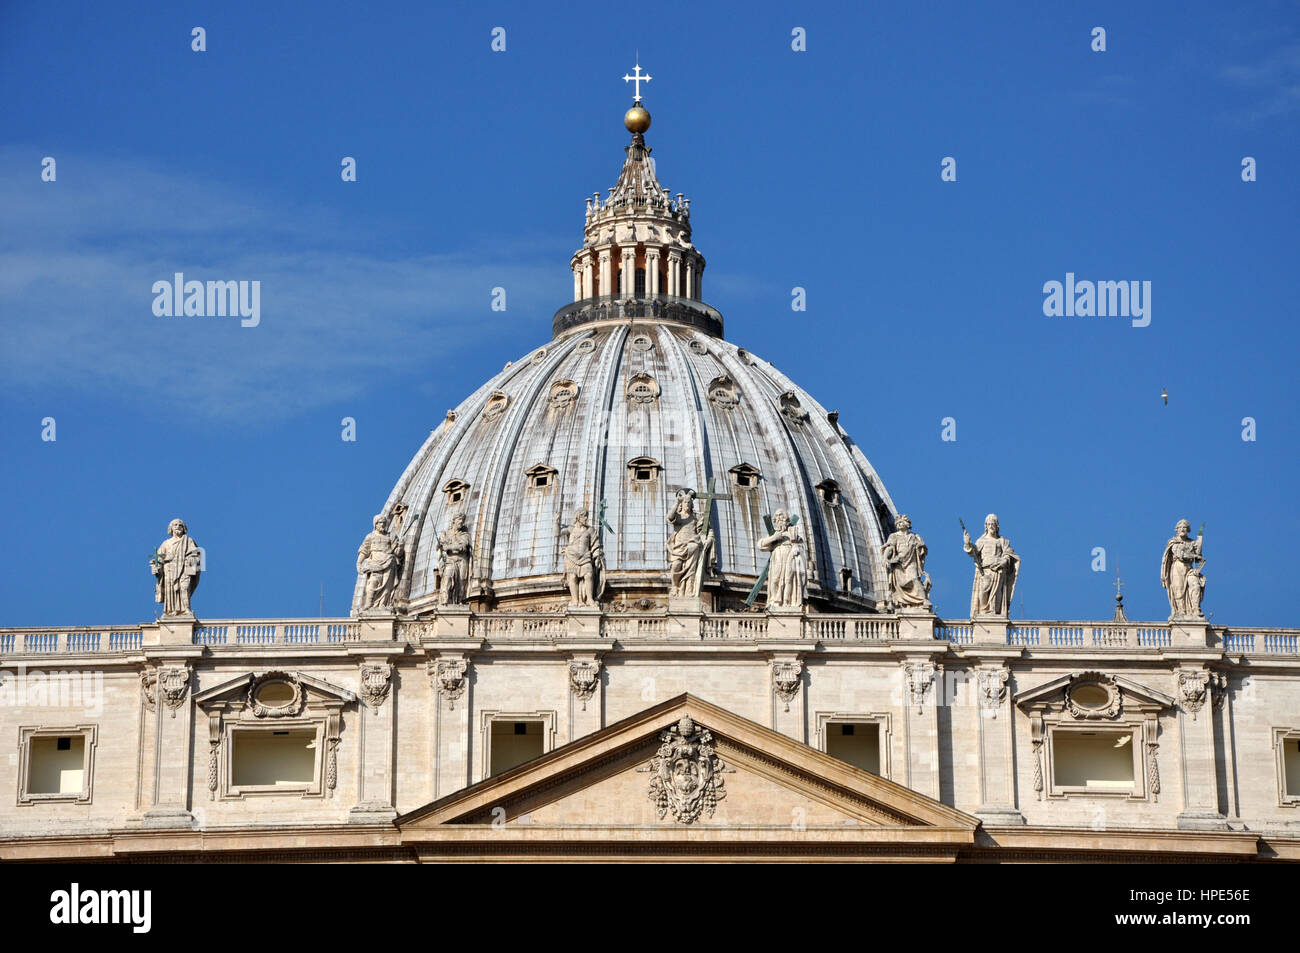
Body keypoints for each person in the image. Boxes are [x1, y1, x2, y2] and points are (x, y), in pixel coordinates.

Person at [963, 513, 1019, 616]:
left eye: (993, 524)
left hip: (998, 571)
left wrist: (1003, 561)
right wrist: (967, 543)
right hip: (985, 570)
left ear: (997, 526)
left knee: (997, 595)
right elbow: (973, 552)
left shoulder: (1002, 541)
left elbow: (1008, 554)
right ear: (986, 526)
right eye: (989, 524)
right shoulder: (981, 540)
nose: (991, 526)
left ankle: (995, 613)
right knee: (984, 589)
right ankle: (984, 611)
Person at [152, 518, 201, 616]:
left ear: (184, 528)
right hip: (169, 569)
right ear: (171, 528)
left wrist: (191, 560)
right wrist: (156, 566)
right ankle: (171, 611)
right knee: (171, 590)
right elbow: (158, 559)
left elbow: (195, 554)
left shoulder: (188, 541)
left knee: (184, 587)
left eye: (180, 525)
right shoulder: (166, 543)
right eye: (175, 525)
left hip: (184, 568)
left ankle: (186, 609)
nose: (178, 527)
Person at [881, 514, 931, 609]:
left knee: (914, 579)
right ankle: (902, 601)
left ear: (907, 524)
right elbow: (890, 548)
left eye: (901, 522)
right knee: (900, 583)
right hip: (898, 562)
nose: (899, 524)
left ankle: (922, 599)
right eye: (897, 523)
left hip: (911, 562)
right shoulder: (894, 536)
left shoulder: (914, 536)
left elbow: (922, 550)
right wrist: (886, 558)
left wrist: (921, 547)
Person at [759, 509, 806, 608]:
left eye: (782, 515)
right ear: (775, 520)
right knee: (775, 579)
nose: (780, 518)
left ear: (786, 519)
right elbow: (761, 545)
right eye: (777, 516)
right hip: (777, 559)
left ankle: (786, 601)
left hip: (790, 559)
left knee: (788, 580)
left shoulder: (792, 533)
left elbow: (801, 547)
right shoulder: (773, 534)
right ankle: (774, 600)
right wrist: (774, 537)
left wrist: (795, 544)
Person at [357, 514, 403, 610]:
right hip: (374, 564)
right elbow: (364, 551)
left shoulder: (391, 536)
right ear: (375, 524)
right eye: (380, 523)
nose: (382, 525)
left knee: (387, 587)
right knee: (372, 584)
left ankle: (382, 604)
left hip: (389, 562)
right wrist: (359, 563)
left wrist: (401, 546)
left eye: (384, 523)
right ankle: (370, 604)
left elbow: (397, 552)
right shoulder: (370, 537)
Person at [1161, 519, 1205, 619]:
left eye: (1184, 527)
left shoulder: (1191, 542)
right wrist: (1194, 556)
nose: (1182, 529)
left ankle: (1195, 609)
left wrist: (1200, 538)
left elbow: (1198, 554)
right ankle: (1181, 611)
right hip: (1177, 567)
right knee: (1179, 590)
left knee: (1195, 585)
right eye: (1180, 527)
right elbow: (1180, 555)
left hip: (1189, 569)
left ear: (1188, 529)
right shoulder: (1174, 542)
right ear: (1176, 529)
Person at [437, 514, 472, 605]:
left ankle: (459, 602)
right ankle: (445, 601)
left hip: (462, 562)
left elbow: (462, 547)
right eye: (459, 519)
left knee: (461, 583)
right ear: (454, 521)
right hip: (450, 561)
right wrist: (440, 543)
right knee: (447, 578)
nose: (461, 522)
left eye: (462, 520)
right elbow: (439, 548)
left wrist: (448, 547)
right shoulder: (447, 534)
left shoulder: (465, 535)